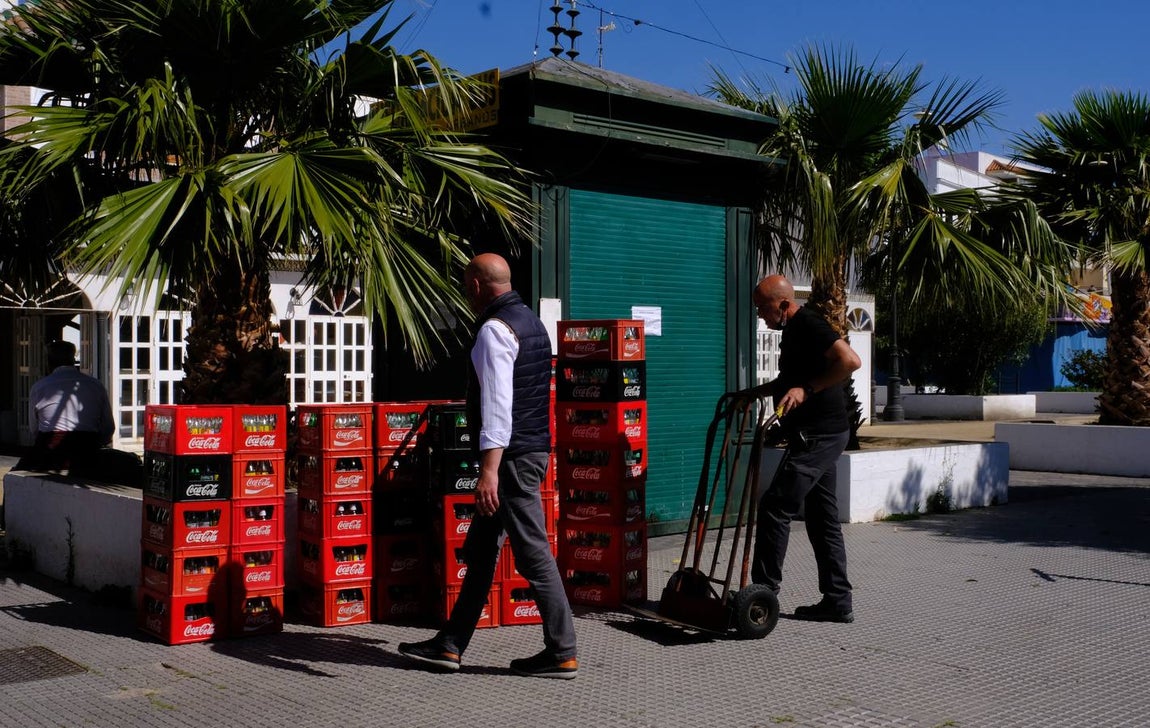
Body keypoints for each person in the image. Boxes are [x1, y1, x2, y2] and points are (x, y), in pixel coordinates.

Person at [398, 253, 578, 679]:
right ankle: (449, 644)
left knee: (533, 554)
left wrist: (489, 471)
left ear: (477, 285)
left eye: (466, 284)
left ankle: (562, 651)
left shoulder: (495, 331)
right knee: (480, 552)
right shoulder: (531, 322)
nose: (465, 292)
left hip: (511, 458)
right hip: (531, 449)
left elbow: (499, 406)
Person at [741, 274, 862, 623]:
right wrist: (754, 394)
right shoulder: (792, 331)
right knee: (823, 519)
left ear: (782, 305)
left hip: (819, 435)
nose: (761, 317)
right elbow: (788, 380)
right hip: (819, 434)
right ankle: (838, 601)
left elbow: (850, 361)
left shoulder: (809, 323)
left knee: (776, 506)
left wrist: (807, 390)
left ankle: (762, 595)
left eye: (763, 309)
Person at [22, 340, 115, 472]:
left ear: (49, 362)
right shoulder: (95, 385)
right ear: (73, 359)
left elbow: (35, 429)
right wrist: (93, 446)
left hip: (51, 449)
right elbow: (108, 428)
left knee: (17, 475)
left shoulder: (40, 386)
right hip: (87, 450)